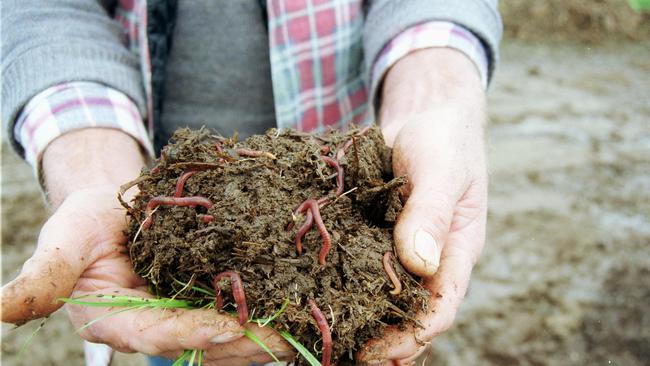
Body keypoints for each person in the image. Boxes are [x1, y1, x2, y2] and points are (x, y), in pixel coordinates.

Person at [1, 1, 501, 365]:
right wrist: (93, 170)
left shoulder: (353, 190)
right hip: (167, 266)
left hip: (359, 178)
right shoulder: (156, 222)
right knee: (188, 339)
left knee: (360, 336)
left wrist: (436, 100)